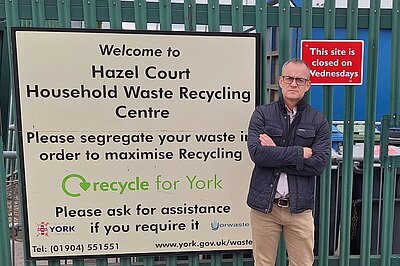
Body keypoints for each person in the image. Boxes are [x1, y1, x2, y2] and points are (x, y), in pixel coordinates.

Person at [246, 59, 331, 266]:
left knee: (302, 263)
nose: (294, 84)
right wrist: (300, 153)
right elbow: (257, 154)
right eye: (289, 78)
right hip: (265, 208)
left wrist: (274, 153)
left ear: (308, 85)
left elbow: (318, 165)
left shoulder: (318, 121)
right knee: (263, 263)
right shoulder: (262, 114)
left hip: (299, 209)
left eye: (300, 80)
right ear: (280, 81)